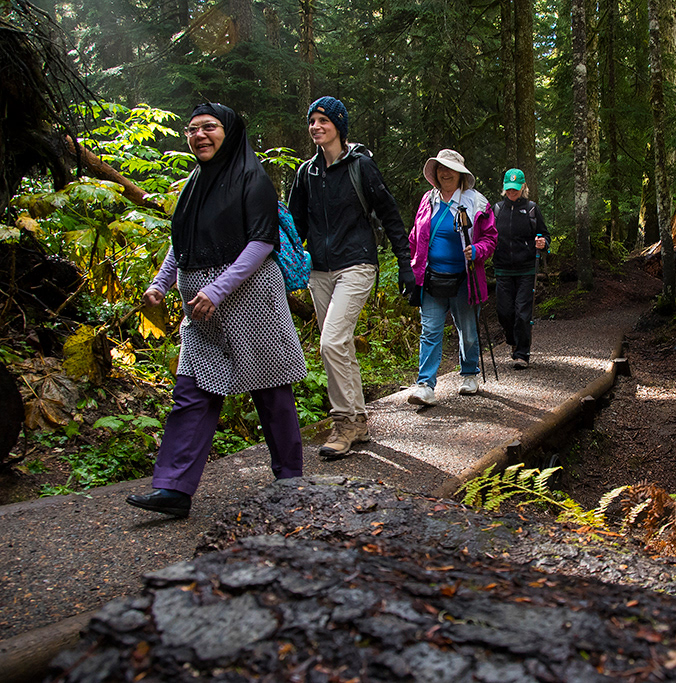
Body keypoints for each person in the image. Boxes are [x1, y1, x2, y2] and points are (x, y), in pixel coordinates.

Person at [126, 103, 307, 518]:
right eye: (192, 130)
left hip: (250, 300)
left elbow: (262, 243)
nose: (199, 135)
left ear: (230, 130)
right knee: (192, 391)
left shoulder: (252, 176)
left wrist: (218, 289)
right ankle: (173, 488)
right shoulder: (194, 183)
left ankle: (291, 480)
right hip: (201, 306)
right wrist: (159, 283)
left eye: (209, 127)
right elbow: (181, 241)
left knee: (271, 388)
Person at [288, 96, 415, 458]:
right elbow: (293, 227)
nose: (316, 126)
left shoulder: (361, 167)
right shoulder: (305, 173)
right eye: (312, 120)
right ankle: (358, 421)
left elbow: (390, 215)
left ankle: (343, 423)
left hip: (357, 264)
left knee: (330, 341)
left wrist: (405, 264)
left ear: (339, 127)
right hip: (318, 270)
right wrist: (283, 266)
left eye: (323, 120)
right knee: (339, 345)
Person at [407, 149, 496, 406]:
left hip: (465, 279)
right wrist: (413, 267)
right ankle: (425, 385)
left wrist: (477, 250)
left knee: (468, 332)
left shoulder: (476, 202)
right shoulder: (428, 200)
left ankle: (469, 373)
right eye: (440, 168)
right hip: (432, 278)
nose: (444, 173)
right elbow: (416, 236)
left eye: (449, 168)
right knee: (430, 331)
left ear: (460, 174)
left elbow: (491, 237)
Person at [492, 169, 550, 369]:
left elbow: (545, 236)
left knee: (523, 313)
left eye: (515, 189)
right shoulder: (497, 209)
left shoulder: (532, 209)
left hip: (526, 269)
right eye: (508, 188)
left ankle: (522, 354)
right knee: (504, 312)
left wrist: (543, 243)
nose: (511, 192)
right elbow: (488, 237)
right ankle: (513, 340)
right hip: (502, 269)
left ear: (523, 187)